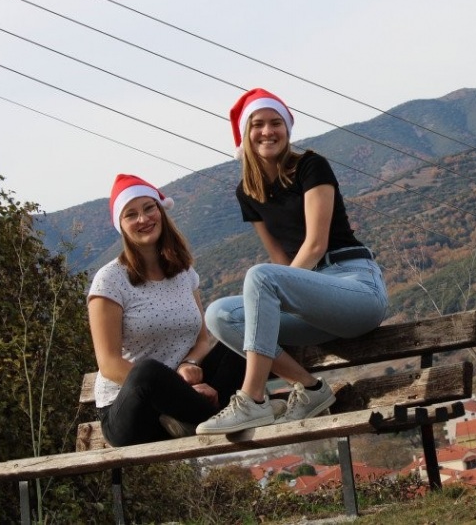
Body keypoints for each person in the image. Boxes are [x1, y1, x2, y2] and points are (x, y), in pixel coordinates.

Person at [198, 88, 389, 434]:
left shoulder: (310, 166)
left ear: (287, 130)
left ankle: (252, 398)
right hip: (308, 299)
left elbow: (315, 244)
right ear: (246, 133)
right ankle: (311, 389)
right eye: (258, 124)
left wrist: (276, 293)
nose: (268, 131)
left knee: (260, 277)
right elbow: (279, 259)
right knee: (219, 315)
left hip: (354, 287)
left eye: (276, 123)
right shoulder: (247, 191)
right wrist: (275, 299)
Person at [87, 173, 253, 445]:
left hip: (186, 395)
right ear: (121, 225)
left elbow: (201, 340)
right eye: (131, 214)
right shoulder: (110, 280)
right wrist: (178, 392)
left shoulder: (184, 272)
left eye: (149, 208)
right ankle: (218, 417)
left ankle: (203, 417)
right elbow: (109, 364)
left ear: (161, 211)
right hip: (131, 411)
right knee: (147, 371)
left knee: (243, 338)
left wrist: (189, 364)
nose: (143, 219)